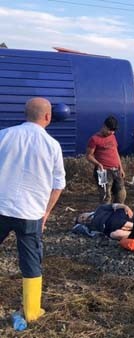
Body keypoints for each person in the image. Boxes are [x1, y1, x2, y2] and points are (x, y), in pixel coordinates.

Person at [0, 97, 66, 323]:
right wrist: (46, 213)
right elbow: (58, 184)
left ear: (24, 113)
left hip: (0, 207)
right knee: (30, 262)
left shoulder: (4, 135)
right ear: (48, 117)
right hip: (30, 214)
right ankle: (31, 312)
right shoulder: (52, 145)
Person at [86, 116, 126, 204]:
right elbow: (89, 155)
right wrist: (98, 163)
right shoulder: (94, 139)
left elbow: (115, 152)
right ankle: (105, 214)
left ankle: (117, 212)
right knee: (106, 195)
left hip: (115, 169)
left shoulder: (112, 137)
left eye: (113, 131)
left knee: (121, 193)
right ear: (104, 126)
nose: (111, 132)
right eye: (110, 130)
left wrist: (121, 167)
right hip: (103, 171)